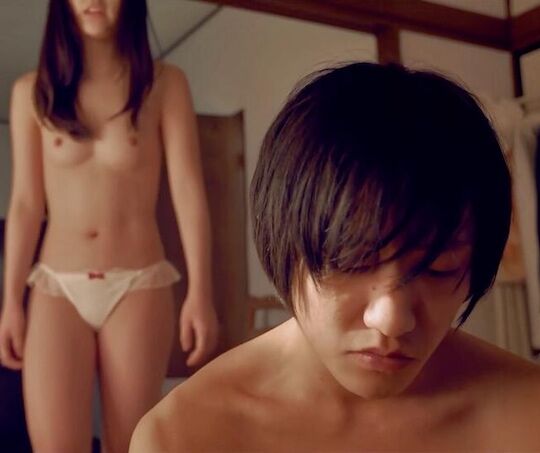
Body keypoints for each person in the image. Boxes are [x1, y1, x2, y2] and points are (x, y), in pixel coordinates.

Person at [131, 62, 540, 452]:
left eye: (438, 268)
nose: (391, 319)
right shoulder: (184, 436)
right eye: (351, 261)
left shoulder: (527, 413)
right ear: (284, 241)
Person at [0, 0, 218, 451]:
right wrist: (11, 302)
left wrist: (201, 292)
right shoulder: (31, 92)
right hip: (56, 286)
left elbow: (188, 191)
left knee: (132, 444)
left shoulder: (164, 84)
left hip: (138, 282)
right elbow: (24, 204)